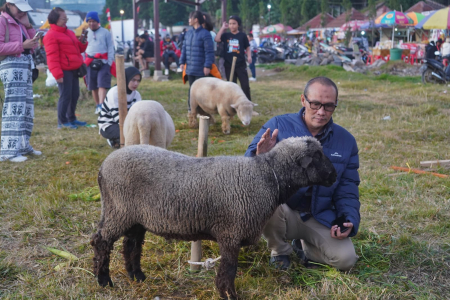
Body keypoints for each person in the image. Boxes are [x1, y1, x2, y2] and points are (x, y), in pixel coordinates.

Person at [245, 77, 360, 271]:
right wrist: (260, 156)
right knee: (265, 200)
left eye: (329, 106)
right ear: (303, 100)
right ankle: (279, 250)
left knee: (346, 260)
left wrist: (347, 218)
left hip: (319, 214)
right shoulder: (277, 126)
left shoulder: (346, 141)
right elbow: (246, 172)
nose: (322, 112)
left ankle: (305, 247)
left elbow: (347, 187)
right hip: (282, 209)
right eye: (315, 104)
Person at [0, 0, 40, 162]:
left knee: (26, 108)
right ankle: (8, 150)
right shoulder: (2, 20)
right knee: (13, 108)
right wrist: (21, 45)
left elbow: (34, 46)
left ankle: (23, 145)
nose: (22, 12)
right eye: (19, 8)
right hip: (11, 66)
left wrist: (28, 26)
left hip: (24, 66)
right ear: (9, 5)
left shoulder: (19, 22)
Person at [43, 7, 88, 130]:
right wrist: (57, 74)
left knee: (74, 94)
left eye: (66, 18)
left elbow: (79, 49)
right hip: (64, 70)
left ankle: (71, 118)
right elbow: (52, 57)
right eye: (64, 18)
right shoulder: (51, 36)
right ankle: (62, 121)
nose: (66, 20)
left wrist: (83, 41)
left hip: (74, 68)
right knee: (65, 95)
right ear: (55, 19)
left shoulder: (69, 32)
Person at [98, 67, 142, 148]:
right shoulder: (114, 92)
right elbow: (117, 117)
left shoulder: (136, 95)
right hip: (109, 125)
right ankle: (113, 140)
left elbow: (138, 114)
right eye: (133, 80)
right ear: (126, 78)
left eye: (138, 81)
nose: (136, 83)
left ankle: (119, 141)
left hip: (128, 123)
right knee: (131, 135)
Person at [179, 10, 214, 112]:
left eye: (191, 18)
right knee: (192, 90)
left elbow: (209, 52)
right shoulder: (188, 33)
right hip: (190, 68)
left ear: (196, 20)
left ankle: (204, 112)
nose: (189, 20)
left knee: (202, 92)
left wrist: (207, 65)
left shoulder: (205, 34)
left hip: (201, 69)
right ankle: (191, 110)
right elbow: (184, 49)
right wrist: (182, 62)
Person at [215, 15, 252, 100]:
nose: (232, 25)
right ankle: (233, 103)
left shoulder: (242, 36)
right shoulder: (226, 35)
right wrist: (223, 28)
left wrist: (249, 57)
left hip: (240, 64)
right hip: (228, 64)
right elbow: (217, 39)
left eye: (234, 23)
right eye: (230, 23)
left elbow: (247, 47)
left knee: (245, 85)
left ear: (238, 25)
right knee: (231, 85)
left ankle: (247, 103)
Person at [85, 11, 114, 115]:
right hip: (90, 61)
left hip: (103, 61)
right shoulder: (85, 32)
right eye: (89, 21)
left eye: (93, 21)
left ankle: (102, 105)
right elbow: (82, 48)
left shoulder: (105, 32)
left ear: (97, 22)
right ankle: (97, 105)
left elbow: (110, 47)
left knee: (102, 83)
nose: (91, 23)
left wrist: (109, 62)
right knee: (92, 85)